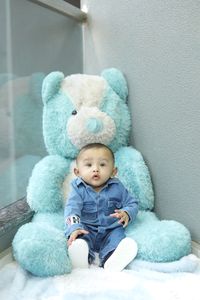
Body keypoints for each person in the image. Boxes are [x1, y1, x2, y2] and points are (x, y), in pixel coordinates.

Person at [64, 143, 138, 271]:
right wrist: (74, 228)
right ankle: (81, 257)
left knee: (118, 238)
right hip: (87, 228)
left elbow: (132, 203)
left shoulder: (117, 187)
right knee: (80, 239)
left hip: (111, 229)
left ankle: (111, 260)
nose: (95, 169)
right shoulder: (78, 190)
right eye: (88, 165)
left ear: (113, 171)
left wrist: (126, 212)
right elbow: (72, 210)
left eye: (102, 165)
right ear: (77, 172)